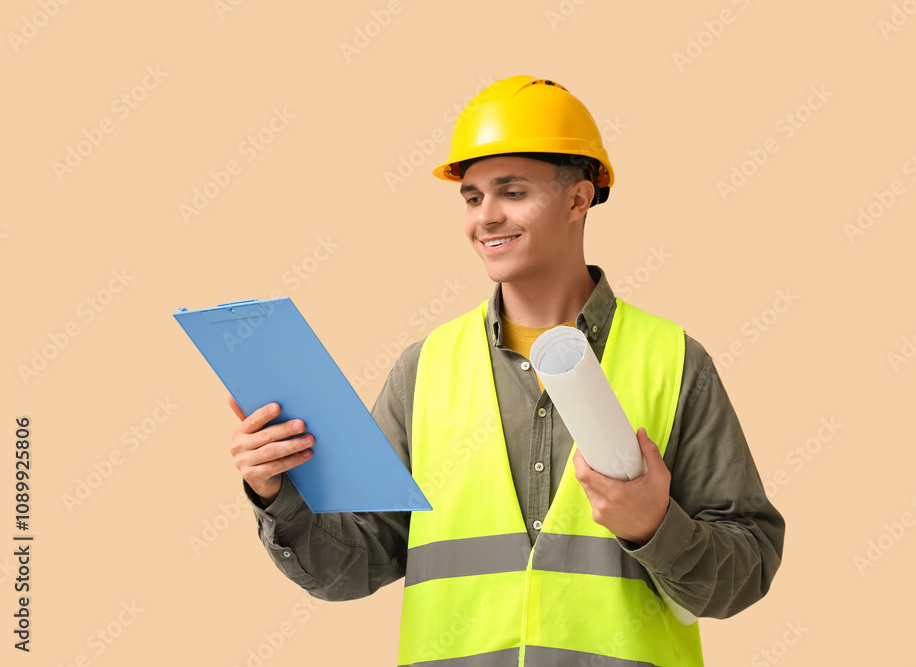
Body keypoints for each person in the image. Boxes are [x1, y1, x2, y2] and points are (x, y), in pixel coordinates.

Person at [227, 75, 784, 666]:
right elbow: (353, 566)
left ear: (579, 198)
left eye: (512, 192)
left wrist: (655, 526)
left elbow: (745, 574)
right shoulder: (424, 370)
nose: (485, 217)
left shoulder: (673, 362)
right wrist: (274, 490)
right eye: (471, 198)